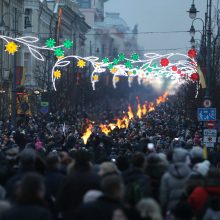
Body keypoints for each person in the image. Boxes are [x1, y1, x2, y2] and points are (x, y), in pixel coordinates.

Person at [57, 150, 100, 220]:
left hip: (71, 214)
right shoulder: (96, 178)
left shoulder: (69, 178)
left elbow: (61, 200)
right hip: (90, 215)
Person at [159, 148, 191, 214]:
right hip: (188, 209)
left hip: (170, 209)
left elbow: (163, 197)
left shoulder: (166, 176)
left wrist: (163, 209)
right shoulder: (192, 174)